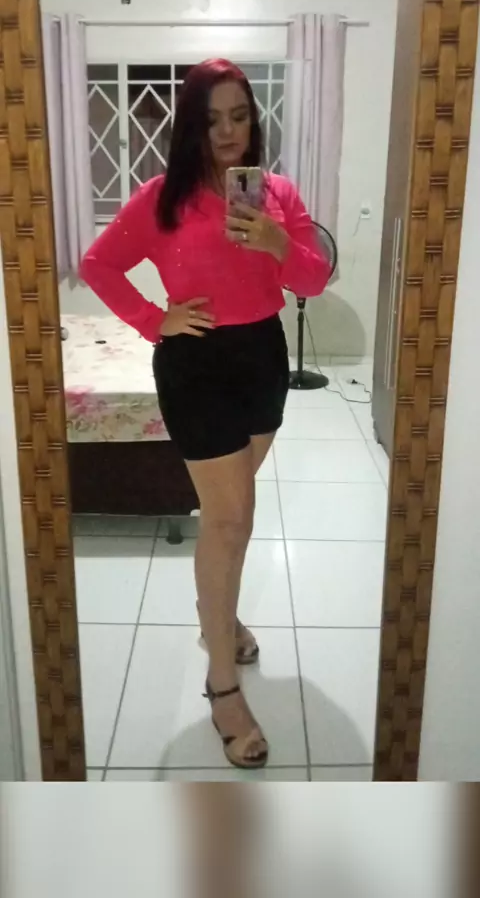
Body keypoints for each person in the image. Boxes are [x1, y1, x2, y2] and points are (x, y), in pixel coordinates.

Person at [80, 58, 330, 770]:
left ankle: (214, 615)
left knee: (232, 518)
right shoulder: (161, 199)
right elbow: (98, 264)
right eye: (212, 118)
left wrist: (278, 241)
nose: (227, 131)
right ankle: (223, 686)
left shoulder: (277, 194)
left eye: (239, 115)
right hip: (196, 364)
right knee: (229, 521)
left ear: (254, 120)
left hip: (262, 359)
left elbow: (313, 278)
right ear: (192, 126)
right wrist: (152, 319)